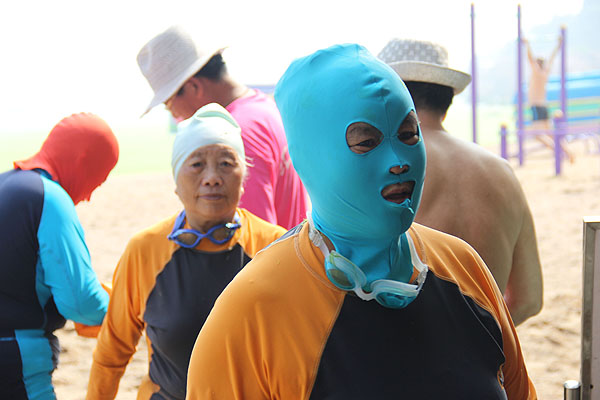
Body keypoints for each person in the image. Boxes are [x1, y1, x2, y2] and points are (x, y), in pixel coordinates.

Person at [185, 44, 536, 399]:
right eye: (366, 141)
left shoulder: (462, 266)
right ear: (315, 156)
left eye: (408, 134)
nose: (399, 160)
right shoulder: (251, 312)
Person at [86, 103, 286, 400]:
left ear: (244, 179)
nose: (212, 178)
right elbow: (112, 352)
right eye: (196, 164)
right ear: (176, 182)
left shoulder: (275, 248)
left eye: (227, 163)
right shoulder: (145, 250)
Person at [377, 38, 543, 326]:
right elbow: (529, 299)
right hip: (485, 365)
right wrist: (477, 340)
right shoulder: (501, 171)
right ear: (447, 97)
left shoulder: (389, 166)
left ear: (388, 96)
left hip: (403, 359)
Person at [136, 25, 308, 229]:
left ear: (193, 87)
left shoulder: (234, 134)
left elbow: (251, 240)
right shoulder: (264, 109)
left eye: (169, 105)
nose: (175, 116)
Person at [0, 113, 119, 399]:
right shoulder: (49, 198)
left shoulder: (5, 184)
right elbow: (80, 301)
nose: (89, 196)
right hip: (15, 357)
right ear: (81, 161)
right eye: (97, 180)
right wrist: (118, 309)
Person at [523, 35, 574, 163]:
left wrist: (527, 45)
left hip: (536, 106)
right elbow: (551, 58)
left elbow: (530, 59)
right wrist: (558, 45)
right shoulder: (545, 73)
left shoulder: (536, 72)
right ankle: (567, 151)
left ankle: (559, 152)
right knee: (551, 133)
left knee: (538, 135)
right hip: (544, 106)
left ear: (537, 64)